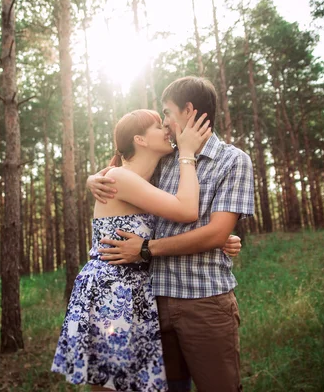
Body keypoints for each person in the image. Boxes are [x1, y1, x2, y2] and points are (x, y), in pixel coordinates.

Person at [87, 76, 255, 392]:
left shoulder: (233, 161)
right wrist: (95, 177)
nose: (165, 123)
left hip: (203, 302)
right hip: (155, 303)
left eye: (166, 112)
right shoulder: (167, 159)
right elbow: (126, 165)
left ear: (188, 111)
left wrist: (148, 248)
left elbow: (215, 232)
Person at [52, 109, 213, 391]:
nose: (166, 129)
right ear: (139, 139)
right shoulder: (120, 178)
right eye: (157, 126)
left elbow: (175, 225)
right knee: (112, 384)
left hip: (136, 292)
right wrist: (187, 153)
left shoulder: (145, 180)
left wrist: (221, 237)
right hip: (112, 293)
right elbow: (187, 210)